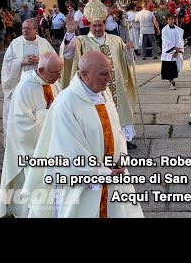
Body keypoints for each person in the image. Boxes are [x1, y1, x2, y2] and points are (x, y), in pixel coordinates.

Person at [22, 52, 144, 218]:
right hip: (85, 185)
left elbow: (117, 131)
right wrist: (102, 172)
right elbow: (69, 152)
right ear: (85, 74)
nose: (109, 78)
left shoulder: (104, 94)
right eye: (104, 74)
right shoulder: (66, 104)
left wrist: (121, 157)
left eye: (110, 72)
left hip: (114, 174)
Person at [62, 0, 138, 151]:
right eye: (94, 25)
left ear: (105, 25)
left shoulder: (116, 40)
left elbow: (128, 61)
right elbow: (68, 55)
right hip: (94, 87)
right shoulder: (81, 41)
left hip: (117, 84)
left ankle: (123, 138)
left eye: (100, 25)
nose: (98, 28)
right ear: (89, 25)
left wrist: (129, 50)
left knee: (120, 110)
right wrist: (70, 33)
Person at [0, 52, 62, 218]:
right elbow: (23, 125)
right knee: (33, 184)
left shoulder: (52, 82)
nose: (59, 76)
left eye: (60, 72)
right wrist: (48, 115)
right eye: (56, 72)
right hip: (31, 147)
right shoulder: (25, 87)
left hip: (52, 144)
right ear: (41, 70)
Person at [1, 19, 55, 145]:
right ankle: (15, 141)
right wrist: (21, 62)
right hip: (20, 83)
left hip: (40, 84)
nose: (25, 30)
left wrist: (40, 59)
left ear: (36, 30)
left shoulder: (44, 43)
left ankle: (42, 139)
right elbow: (7, 63)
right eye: (23, 28)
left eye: (28, 28)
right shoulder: (15, 43)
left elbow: (53, 59)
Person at [161, 13, 184, 90]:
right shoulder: (164, 30)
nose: (171, 21)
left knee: (175, 67)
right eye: (169, 19)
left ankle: (172, 79)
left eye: (172, 19)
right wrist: (173, 48)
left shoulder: (177, 29)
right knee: (169, 67)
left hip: (176, 50)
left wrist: (177, 50)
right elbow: (165, 40)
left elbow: (179, 39)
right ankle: (172, 82)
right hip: (168, 51)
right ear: (167, 21)